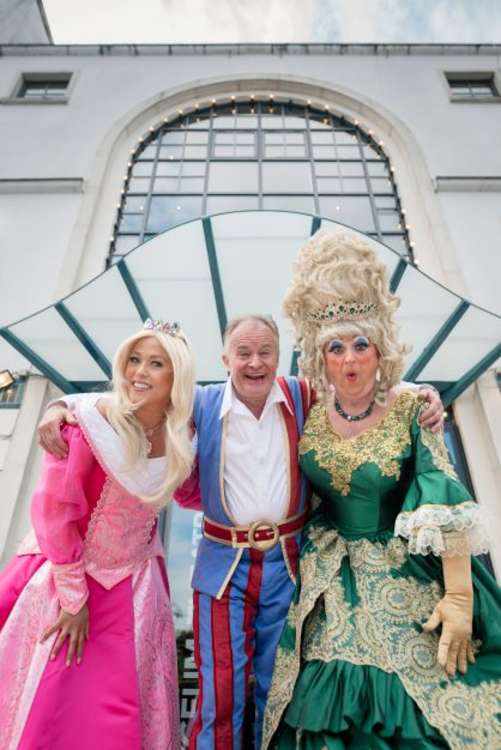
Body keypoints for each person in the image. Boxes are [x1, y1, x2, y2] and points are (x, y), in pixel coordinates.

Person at [37, 314, 444, 750]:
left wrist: (421, 393)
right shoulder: (197, 403)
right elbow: (119, 397)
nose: (255, 363)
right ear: (225, 358)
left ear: (278, 355)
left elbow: (358, 388)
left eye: (265, 352)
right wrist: (59, 406)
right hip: (222, 565)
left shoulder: (302, 394)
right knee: (220, 688)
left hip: (289, 562)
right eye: (244, 353)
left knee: (281, 680)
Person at [261, 232, 501, 750]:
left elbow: (444, 497)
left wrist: (458, 598)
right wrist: (67, 409)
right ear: (320, 357)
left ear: (380, 350)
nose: (350, 360)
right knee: (323, 706)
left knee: (423, 711)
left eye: (361, 345)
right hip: (328, 579)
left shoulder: (412, 409)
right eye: (335, 347)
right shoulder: (308, 413)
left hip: (403, 573)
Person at [0, 320, 196, 750]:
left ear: (176, 378)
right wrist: (72, 599)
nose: (139, 373)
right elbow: (53, 514)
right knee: (59, 701)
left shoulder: (183, 437)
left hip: (134, 591)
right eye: (133, 361)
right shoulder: (85, 423)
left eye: (155, 364)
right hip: (67, 577)